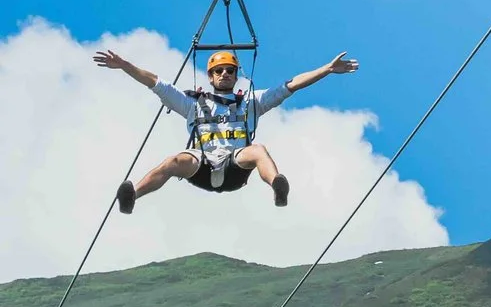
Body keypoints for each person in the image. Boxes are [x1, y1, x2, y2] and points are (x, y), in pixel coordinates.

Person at [93, 46, 358, 211]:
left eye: (229, 70)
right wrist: (124, 65)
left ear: (235, 74)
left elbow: (291, 85)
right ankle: (132, 195)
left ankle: (277, 186)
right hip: (202, 167)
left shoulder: (252, 102)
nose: (224, 75)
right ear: (210, 76)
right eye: (218, 71)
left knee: (257, 150)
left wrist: (327, 69)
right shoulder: (191, 104)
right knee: (175, 159)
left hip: (235, 167)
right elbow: (155, 82)